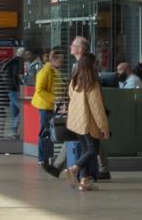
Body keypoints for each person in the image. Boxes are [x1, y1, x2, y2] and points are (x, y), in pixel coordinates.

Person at [59, 46, 110, 190]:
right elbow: (97, 108)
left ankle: (84, 181)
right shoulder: (91, 83)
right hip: (88, 122)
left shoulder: (74, 81)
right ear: (91, 65)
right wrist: (104, 128)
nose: (97, 65)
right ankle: (74, 169)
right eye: (95, 63)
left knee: (84, 149)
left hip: (76, 122)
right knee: (93, 149)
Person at [29, 45, 68, 173]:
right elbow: (40, 90)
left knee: (50, 133)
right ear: (53, 59)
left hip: (54, 106)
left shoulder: (56, 71)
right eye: (61, 59)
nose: (63, 61)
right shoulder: (45, 71)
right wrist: (55, 99)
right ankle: (43, 158)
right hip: (46, 106)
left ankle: (48, 157)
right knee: (46, 133)